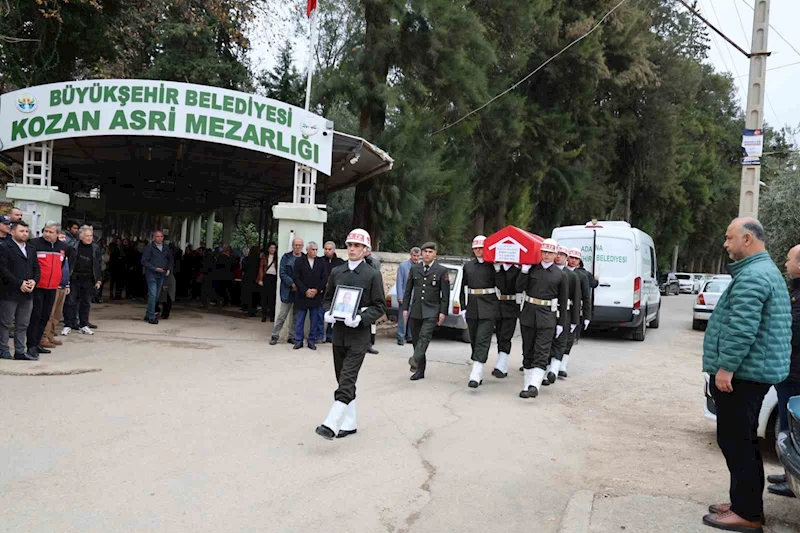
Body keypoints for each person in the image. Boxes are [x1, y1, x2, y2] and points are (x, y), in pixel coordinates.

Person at [703, 218, 791, 533]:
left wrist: (726, 367)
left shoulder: (754, 275)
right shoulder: (763, 271)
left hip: (743, 375)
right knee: (742, 439)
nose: (726, 244)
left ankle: (748, 512)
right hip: (752, 372)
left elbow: (742, 328)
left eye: (730, 238)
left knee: (735, 440)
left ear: (748, 239)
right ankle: (742, 502)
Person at [316, 228, 385, 440]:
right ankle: (350, 422)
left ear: (366, 250)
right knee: (342, 378)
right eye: (350, 245)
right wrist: (327, 312)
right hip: (339, 334)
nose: (353, 249)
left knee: (347, 378)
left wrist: (361, 318)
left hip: (359, 336)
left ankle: (332, 422)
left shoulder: (372, 274)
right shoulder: (337, 272)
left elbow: (379, 306)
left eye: (357, 246)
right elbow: (327, 298)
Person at [766, 244, 800, 498]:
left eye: (789, 260)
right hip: (788, 369)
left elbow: (792, 331)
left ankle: (792, 481)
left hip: (796, 373)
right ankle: (788, 474)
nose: (785, 264)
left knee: (793, 431)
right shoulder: (795, 292)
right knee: (787, 427)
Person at [515, 238, 568, 399]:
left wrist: (561, 323)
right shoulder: (531, 270)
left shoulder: (561, 274)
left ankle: (534, 385)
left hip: (547, 316)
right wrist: (523, 272)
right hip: (529, 313)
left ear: (555, 255)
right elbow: (518, 288)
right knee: (528, 350)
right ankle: (527, 384)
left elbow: (563, 301)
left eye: (550, 253)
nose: (546, 255)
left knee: (542, 350)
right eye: (544, 252)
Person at [402, 242, 450, 381]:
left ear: (435, 254)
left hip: (432, 310)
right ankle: (420, 370)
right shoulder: (415, 269)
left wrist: (443, 312)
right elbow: (408, 290)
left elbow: (445, 295)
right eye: (425, 251)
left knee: (424, 336)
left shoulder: (441, 270)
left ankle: (415, 359)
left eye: (430, 251)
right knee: (416, 340)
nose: (427, 254)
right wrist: (405, 308)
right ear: (421, 254)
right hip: (416, 309)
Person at [460, 235, 498, 388]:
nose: (477, 251)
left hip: (488, 306)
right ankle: (478, 363)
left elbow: (502, 284)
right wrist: (463, 307)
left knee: (483, 339)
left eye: (480, 248)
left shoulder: (493, 265)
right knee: (474, 339)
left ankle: (476, 371)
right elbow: (462, 288)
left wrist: (498, 269)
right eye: (475, 248)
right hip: (472, 307)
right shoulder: (468, 266)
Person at [27, 221, 69, 355]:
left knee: (45, 316)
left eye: (51, 232)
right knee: (36, 316)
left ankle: (39, 342)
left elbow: (62, 265)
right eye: (45, 231)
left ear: (58, 234)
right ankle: (31, 345)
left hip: (52, 287)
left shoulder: (63, 247)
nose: (47, 234)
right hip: (37, 286)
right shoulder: (34, 244)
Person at [0, 221, 40, 360]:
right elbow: (3, 270)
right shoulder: (4, 247)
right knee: (6, 323)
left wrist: (34, 280)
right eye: (21, 231)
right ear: (12, 232)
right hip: (9, 292)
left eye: (26, 231)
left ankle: (20, 351)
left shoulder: (30, 248)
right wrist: (19, 283)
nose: (24, 234)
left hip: (28, 292)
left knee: (23, 324)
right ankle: (3, 350)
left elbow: (36, 268)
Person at [541, 246, 580, 386]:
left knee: (561, 340)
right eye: (557, 254)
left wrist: (575, 320)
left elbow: (576, 299)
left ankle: (555, 368)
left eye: (562, 255)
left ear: (566, 258)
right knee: (547, 341)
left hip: (565, 312)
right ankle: (545, 370)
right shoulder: (546, 272)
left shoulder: (572, 276)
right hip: (548, 311)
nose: (558, 257)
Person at [62, 225, 102, 336]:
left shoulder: (95, 248)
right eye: (86, 236)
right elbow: (67, 263)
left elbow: (98, 265)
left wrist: (98, 279)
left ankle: (84, 324)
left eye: (90, 236)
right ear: (81, 236)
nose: (89, 238)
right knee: (70, 302)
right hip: (74, 278)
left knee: (86, 303)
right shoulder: (72, 246)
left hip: (88, 279)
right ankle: (68, 324)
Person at [293, 241, 328, 351]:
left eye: (316, 249)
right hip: (302, 295)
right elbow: (296, 277)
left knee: (314, 320)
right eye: (313, 249)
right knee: (300, 320)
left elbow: (324, 278)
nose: (315, 252)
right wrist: (305, 291)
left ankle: (311, 341)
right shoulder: (299, 261)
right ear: (307, 250)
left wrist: (316, 290)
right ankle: (298, 341)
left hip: (316, 296)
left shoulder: (321, 262)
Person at [270, 238, 304, 345]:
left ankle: (292, 336)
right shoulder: (286, 257)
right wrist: (292, 284)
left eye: (299, 245)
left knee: (296, 316)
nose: (297, 247)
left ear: (302, 246)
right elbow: (282, 273)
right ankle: (275, 335)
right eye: (295, 245)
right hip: (287, 291)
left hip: (299, 291)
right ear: (293, 246)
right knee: (282, 315)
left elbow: (307, 274)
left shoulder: (304, 258)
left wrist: (299, 286)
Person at [562, 248, 590, 378]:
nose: (573, 260)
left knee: (569, 338)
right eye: (571, 257)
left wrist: (586, 316)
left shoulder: (582, 276)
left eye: (576, 258)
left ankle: (563, 364)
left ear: (579, 261)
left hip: (573, 309)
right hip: (559, 308)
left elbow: (586, 297)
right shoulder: (561, 271)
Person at [492, 257, 520, 379]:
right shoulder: (498, 269)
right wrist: (497, 270)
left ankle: (501, 363)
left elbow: (506, 287)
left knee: (505, 336)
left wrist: (498, 272)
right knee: (499, 335)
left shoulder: (517, 270)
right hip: (499, 305)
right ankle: (502, 363)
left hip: (511, 306)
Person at [42, 231, 70, 348]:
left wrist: (67, 284)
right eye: (61, 237)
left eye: (65, 237)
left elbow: (66, 271)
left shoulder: (64, 252)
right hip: (54, 286)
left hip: (63, 286)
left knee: (57, 315)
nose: (63, 239)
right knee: (49, 313)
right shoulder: (53, 251)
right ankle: (43, 337)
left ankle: (51, 335)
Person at [141, 231, 174, 325]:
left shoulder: (166, 248)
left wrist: (168, 269)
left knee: (156, 295)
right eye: (157, 236)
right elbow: (144, 261)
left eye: (161, 236)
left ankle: (148, 314)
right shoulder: (149, 248)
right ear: (154, 238)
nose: (159, 238)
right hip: (151, 274)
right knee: (153, 294)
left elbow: (170, 259)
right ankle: (151, 317)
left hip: (162, 274)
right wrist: (155, 268)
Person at [395, 247, 420, 346]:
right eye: (414, 256)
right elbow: (399, 282)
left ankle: (410, 336)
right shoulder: (403, 266)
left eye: (418, 256)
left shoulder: (421, 266)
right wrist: (400, 296)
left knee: (413, 318)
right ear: (411, 255)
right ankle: (400, 337)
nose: (416, 258)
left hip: (416, 298)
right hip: (406, 296)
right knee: (403, 318)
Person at [321, 241, 345, 342]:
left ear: (334, 250)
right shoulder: (320, 261)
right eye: (326, 249)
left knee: (333, 314)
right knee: (321, 314)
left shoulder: (340, 262)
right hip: (322, 291)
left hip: (335, 292)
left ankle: (330, 335)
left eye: (329, 249)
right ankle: (320, 335)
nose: (327, 251)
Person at [364, 248, 381, 354]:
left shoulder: (374, 261)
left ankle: (370, 344)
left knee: (371, 323)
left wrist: (367, 258)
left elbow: (375, 271)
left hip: (370, 294)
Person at [258, 242, 278, 323]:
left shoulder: (277, 257)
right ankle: (264, 315)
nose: (272, 249)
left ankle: (272, 316)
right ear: (268, 249)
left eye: (274, 248)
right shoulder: (264, 257)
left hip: (274, 278)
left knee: (272, 297)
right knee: (264, 297)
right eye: (271, 248)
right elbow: (261, 268)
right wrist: (260, 279)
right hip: (266, 277)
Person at [242, 246, 262, 317]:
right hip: (255, 279)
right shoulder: (259, 260)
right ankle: (253, 310)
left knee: (248, 294)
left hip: (247, 279)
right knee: (255, 295)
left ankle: (248, 309)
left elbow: (243, 268)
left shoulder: (246, 259)